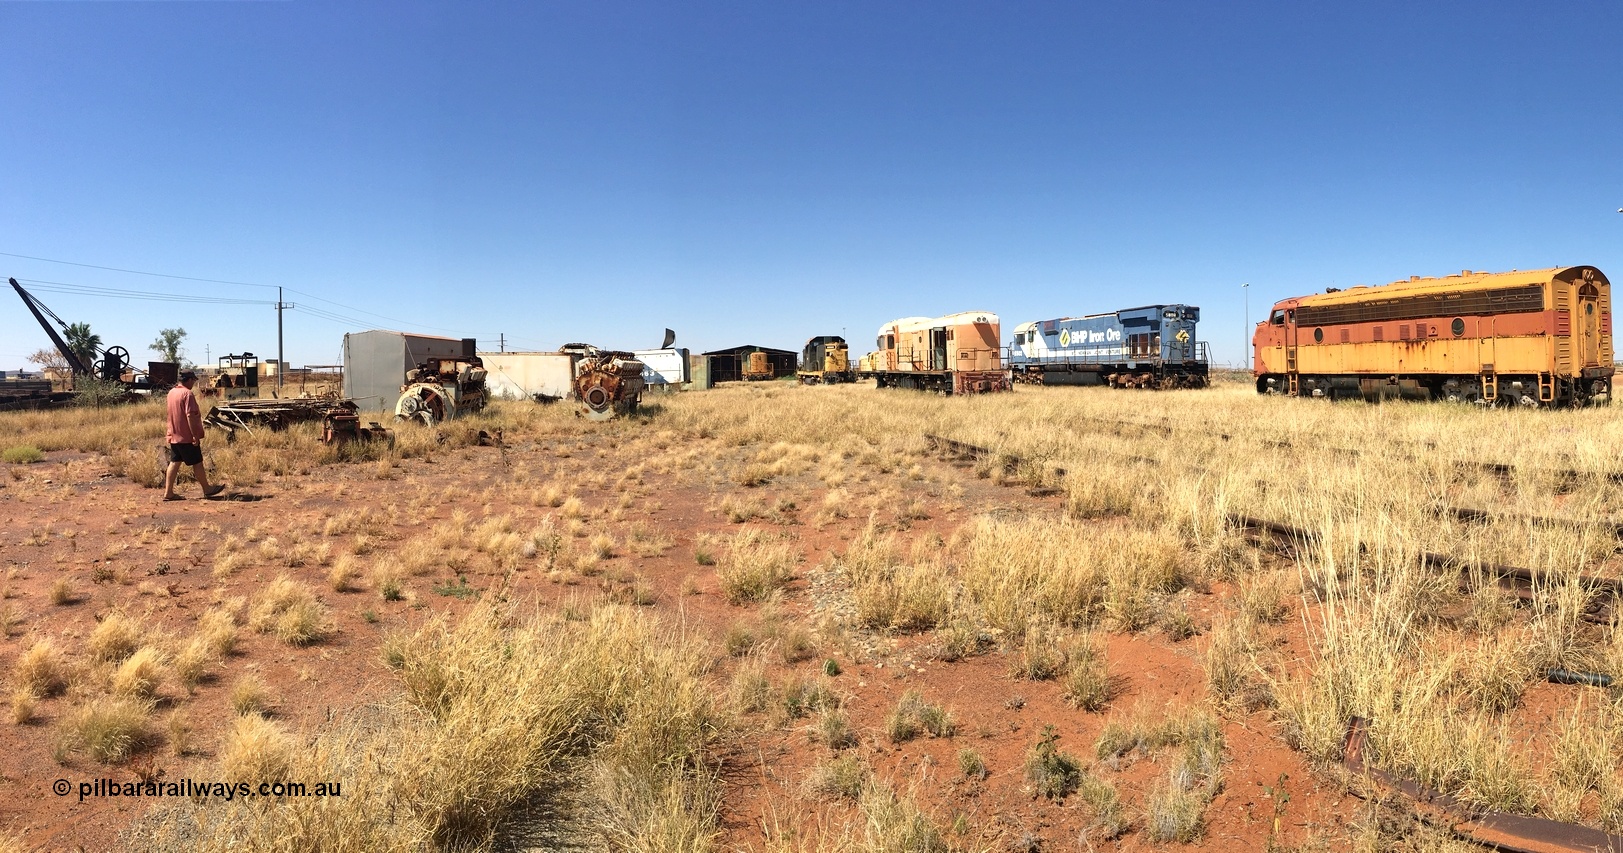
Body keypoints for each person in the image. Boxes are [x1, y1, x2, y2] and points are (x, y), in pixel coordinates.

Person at [163, 369, 225, 501]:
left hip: (174, 434)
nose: (193, 383)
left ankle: (168, 492)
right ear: (189, 380)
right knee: (197, 462)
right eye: (193, 380)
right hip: (186, 436)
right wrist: (194, 435)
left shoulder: (171, 392)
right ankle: (207, 490)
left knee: (174, 462)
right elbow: (190, 415)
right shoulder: (187, 394)